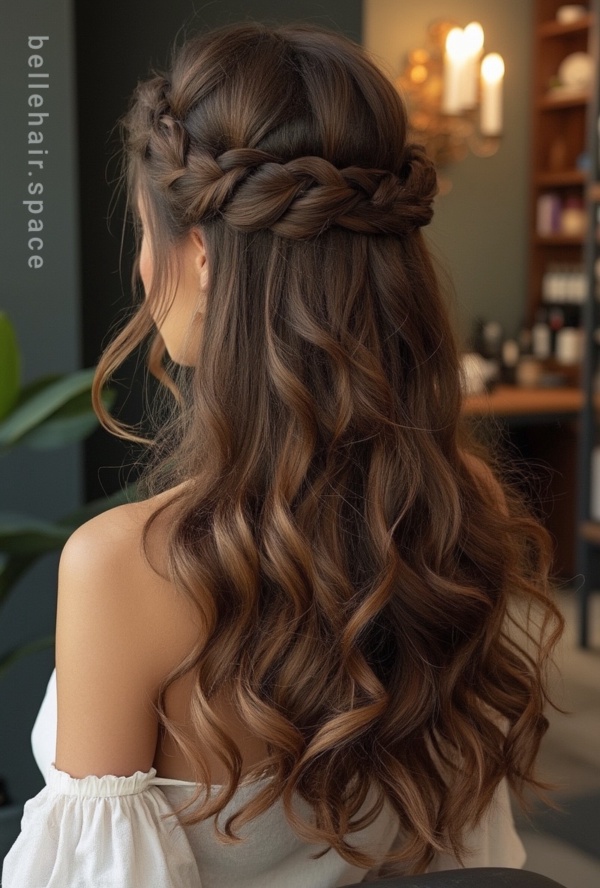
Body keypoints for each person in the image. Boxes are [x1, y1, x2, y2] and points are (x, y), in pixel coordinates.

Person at [3, 22, 563, 888]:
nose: (145, 270)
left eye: (148, 234)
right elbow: (469, 857)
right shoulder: (465, 504)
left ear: (199, 253)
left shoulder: (123, 569)